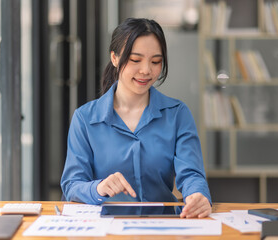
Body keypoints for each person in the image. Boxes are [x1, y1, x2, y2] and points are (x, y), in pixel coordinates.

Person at [60, 18, 212, 218]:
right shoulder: (85, 118)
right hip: (105, 228)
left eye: (156, 61)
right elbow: (72, 184)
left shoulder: (177, 114)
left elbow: (192, 174)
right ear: (114, 58)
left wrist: (197, 195)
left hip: (163, 226)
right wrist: (98, 188)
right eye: (135, 60)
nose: (146, 70)